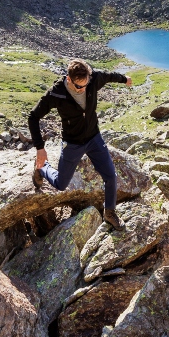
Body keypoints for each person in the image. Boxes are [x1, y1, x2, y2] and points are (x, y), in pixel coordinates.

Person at [29, 58, 132, 229]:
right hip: (72, 143)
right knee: (61, 184)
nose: (82, 89)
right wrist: (40, 149)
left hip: (94, 138)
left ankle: (109, 213)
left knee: (111, 176)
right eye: (78, 86)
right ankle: (41, 168)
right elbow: (33, 117)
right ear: (68, 79)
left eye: (85, 85)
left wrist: (124, 79)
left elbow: (109, 76)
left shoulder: (93, 79)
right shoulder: (57, 93)